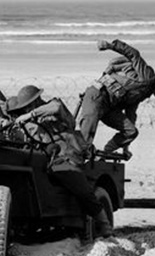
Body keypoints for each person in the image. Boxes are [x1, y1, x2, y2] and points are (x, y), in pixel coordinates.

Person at [10, 85, 113, 237]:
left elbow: (56, 108)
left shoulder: (54, 107)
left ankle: (104, 226)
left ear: (37, 100)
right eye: (25, 108)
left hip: (66, 156)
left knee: (79, 186)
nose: (27, 110)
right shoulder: (30, 123)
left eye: (29, 106)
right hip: (45, 159)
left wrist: (30, 115)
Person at [77, 40, 155, 159]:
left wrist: (125, 148)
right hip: (97, 97)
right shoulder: (147, 76)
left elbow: (131, 114)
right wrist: (110, 46)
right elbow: (134, 54)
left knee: (131, 131)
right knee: (84, 144)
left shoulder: (144, 92)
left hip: (109, 107)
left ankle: (105, 153)